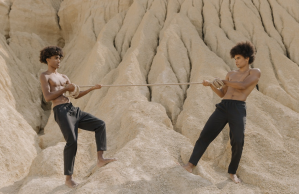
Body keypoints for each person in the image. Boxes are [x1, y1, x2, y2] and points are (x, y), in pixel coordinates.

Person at [183, 41, 261, 183]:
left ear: (247, 58)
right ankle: (190, 165)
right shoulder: (230, 74)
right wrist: (211, 85)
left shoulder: (254, 72)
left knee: (238, 140)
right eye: (235, 58)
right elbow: (222, 94)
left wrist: (224, 81)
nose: (236, 61)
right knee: (205, 135)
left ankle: (232, 173)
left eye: (238, 58)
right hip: (224, 106)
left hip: (238, 108)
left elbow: (243, 86)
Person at [39, 46, 116, 188]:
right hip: (61, 111)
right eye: (55, 57)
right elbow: (48, 97)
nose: (58, 60)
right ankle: (68, 179)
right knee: (72, 141)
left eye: (59, 58)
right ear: (47, 59)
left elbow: (76, 95)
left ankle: (100, 159)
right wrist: (64, 89)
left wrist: (92, 88)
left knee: (100, 124)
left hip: (72, 108)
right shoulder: (45, 76)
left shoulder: (64, 77)